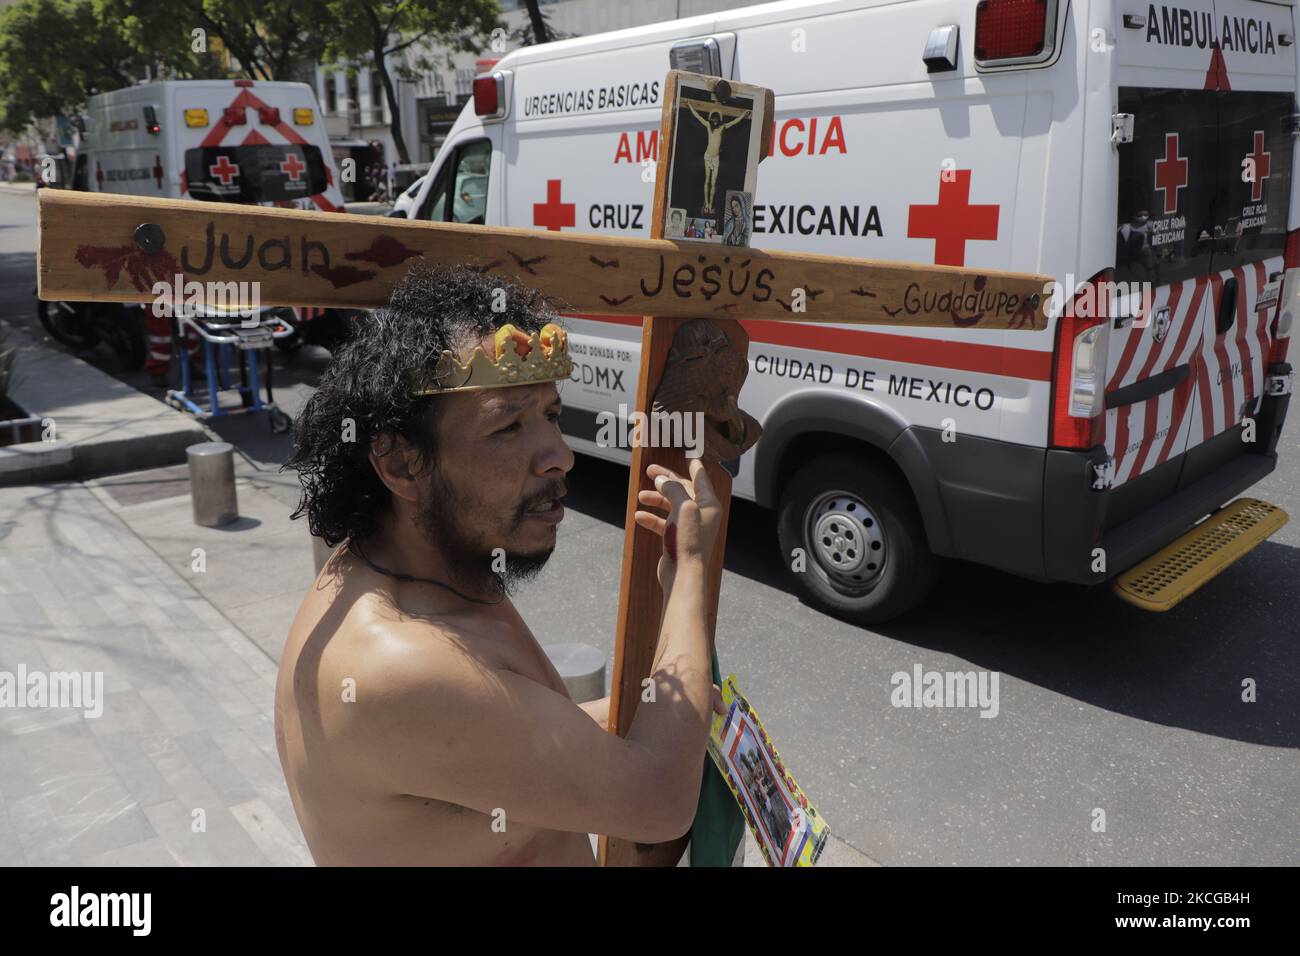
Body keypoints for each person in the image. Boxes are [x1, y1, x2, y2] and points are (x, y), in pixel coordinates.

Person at [276, 263, 726, 865]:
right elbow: (660, 800)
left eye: (552, 415)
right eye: (508, 426)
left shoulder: (424, 564)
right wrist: (693, 572)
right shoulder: (394, 662)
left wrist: (661, 719)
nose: (560, 457)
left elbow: (501, 741)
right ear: (401, 465)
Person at [687, 102, 746, 215]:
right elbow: (698, 117)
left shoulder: (722, 127)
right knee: (707, 180)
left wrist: (743, 115)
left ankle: (710, 204)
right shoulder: (709, 126)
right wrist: (690, 106)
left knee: (713, 182)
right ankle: (706, 202)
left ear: (719, 119)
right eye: (713, 118)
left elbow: (734, 122)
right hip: (708, 156)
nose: (715, 120)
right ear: (711, 119)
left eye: (716, 118)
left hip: (715, 158)